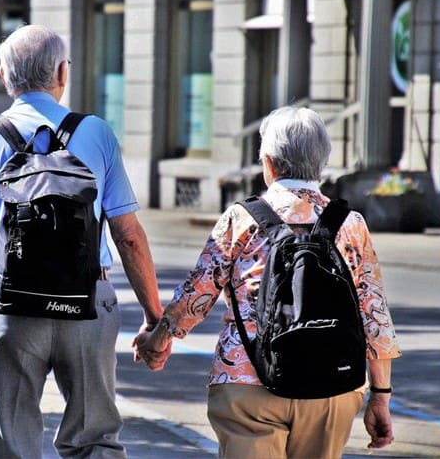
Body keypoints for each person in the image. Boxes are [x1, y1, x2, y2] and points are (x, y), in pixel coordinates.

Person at [0, 24, 165, 458]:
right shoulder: (96, 134)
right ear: (62, 72)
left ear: (4, 75)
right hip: (88, 305)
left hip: (10, 309)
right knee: (95, 438)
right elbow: (128, 236)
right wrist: (155, 318)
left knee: (10, 443)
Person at [134, 106, 401, 458]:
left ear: (270, 163)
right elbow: (374, 316)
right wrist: (380, 396)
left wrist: (159, 337)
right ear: (321, 163)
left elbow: (197, 295)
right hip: (332, 387)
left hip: (248, 381)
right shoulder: (350, 224)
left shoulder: (241, 219)